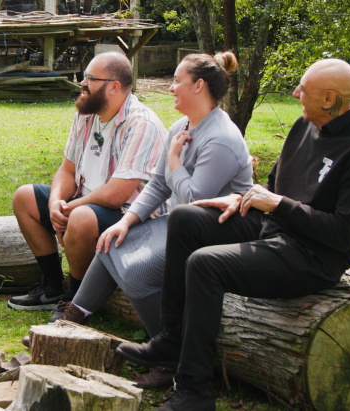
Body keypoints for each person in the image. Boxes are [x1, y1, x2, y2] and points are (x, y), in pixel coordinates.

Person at [115, 58, 350, 411]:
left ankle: (195, 390)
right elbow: (275, 187)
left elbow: (341, 234)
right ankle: (171, 338)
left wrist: (276, 204)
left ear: (329, 99)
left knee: (205, 264)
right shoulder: (304, 126)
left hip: (312, 257)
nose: (295, 94)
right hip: (273, 228)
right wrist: (241, 197)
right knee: (186, 217)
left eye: (303, 90)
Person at [53, 51, 254, 388]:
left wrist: (174, 158)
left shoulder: (221, 138)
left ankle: (169, 353)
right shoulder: (181, 125)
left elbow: (193, 199)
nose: (171, 87)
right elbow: (159, 185)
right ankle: (73, 319)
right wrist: (127, 221)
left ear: (199, 86)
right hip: (183, 223)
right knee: (112, 240)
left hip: (216, 229)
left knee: (136, 271)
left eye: (177, 81)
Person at [8, 52, 167, 321]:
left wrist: (69, 209)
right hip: (88, 203)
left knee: (80, 218)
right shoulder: (87, 113)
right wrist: (55, 201)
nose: (82, 83)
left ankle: (76, 298)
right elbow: (67, 168)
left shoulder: (142, 123)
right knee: (24, 197)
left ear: (114, 86)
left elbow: (118, 193)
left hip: (133, 218)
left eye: (90, 79)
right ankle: (52, 287)